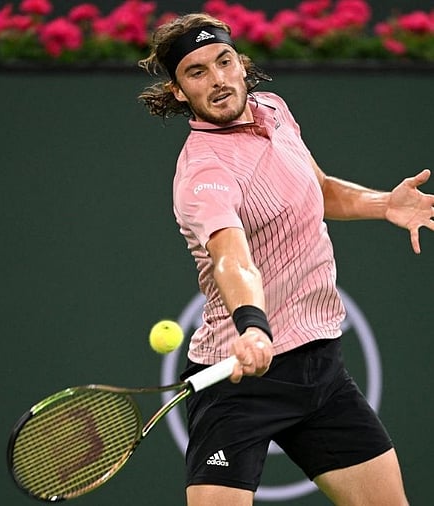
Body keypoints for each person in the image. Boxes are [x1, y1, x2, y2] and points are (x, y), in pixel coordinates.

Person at [138, 12, 432, 506]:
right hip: (239, 376)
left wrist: (385, 204)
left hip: (319, 365)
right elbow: (232, 258)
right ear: (179, 92)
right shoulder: (204, 172)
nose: (218, 80)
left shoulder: (273, 109)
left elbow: (321, 190)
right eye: (197, 72)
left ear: (241, 63)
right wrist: (253, 327)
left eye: (224, 62)